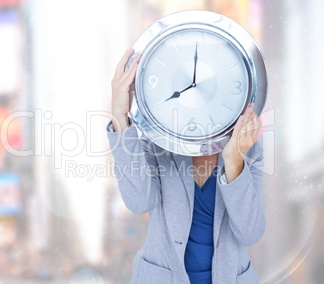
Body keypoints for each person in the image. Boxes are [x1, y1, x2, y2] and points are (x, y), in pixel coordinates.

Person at [106, 48, 266, 284]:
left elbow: (250, 232)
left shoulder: (248, 148)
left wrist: (234, 162)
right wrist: (120, 115)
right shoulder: (158, 142)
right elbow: (139, 201)